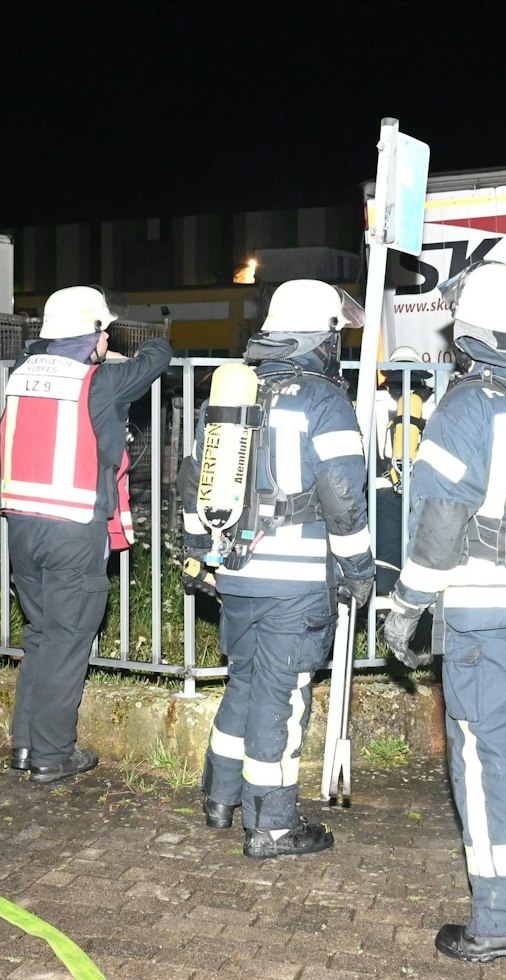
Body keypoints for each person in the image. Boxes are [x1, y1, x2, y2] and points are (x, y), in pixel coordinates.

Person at [380, 263, 506, 965]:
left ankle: (503, 921)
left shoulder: (467, 406)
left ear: (470, 329)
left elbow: (438, 524)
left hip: (484, 620)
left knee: (487, 766)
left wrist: (408, 607)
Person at [179, 280, 374, 858]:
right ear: (325, 337)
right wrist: (359, 566)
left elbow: (193, 479)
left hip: (235, 567)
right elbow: (342, 492)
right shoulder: (323, 399)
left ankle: (221, 796)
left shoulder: (234, 392)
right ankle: (272, 823)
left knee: (245, 680)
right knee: (282, 694)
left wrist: (198, 556)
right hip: (296, 577)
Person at [0, 286, 171, 783]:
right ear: (93, 333)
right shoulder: (99, 381)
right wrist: (123, 355)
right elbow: (159, 356)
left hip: (22, 524)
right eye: (103, 329)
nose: (107, 336)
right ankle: (54, 754)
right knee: (70, 640)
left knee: (42, 636)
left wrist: (98, 353)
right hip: (73, 529)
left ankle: (27, 747)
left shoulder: (20, 373)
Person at [371, 345, 433, 594]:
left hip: (384, 490)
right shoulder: (433, 400)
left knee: (387, 560)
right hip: (425, 492)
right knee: (422, 556)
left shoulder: (374, 400)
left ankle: (383, 617)